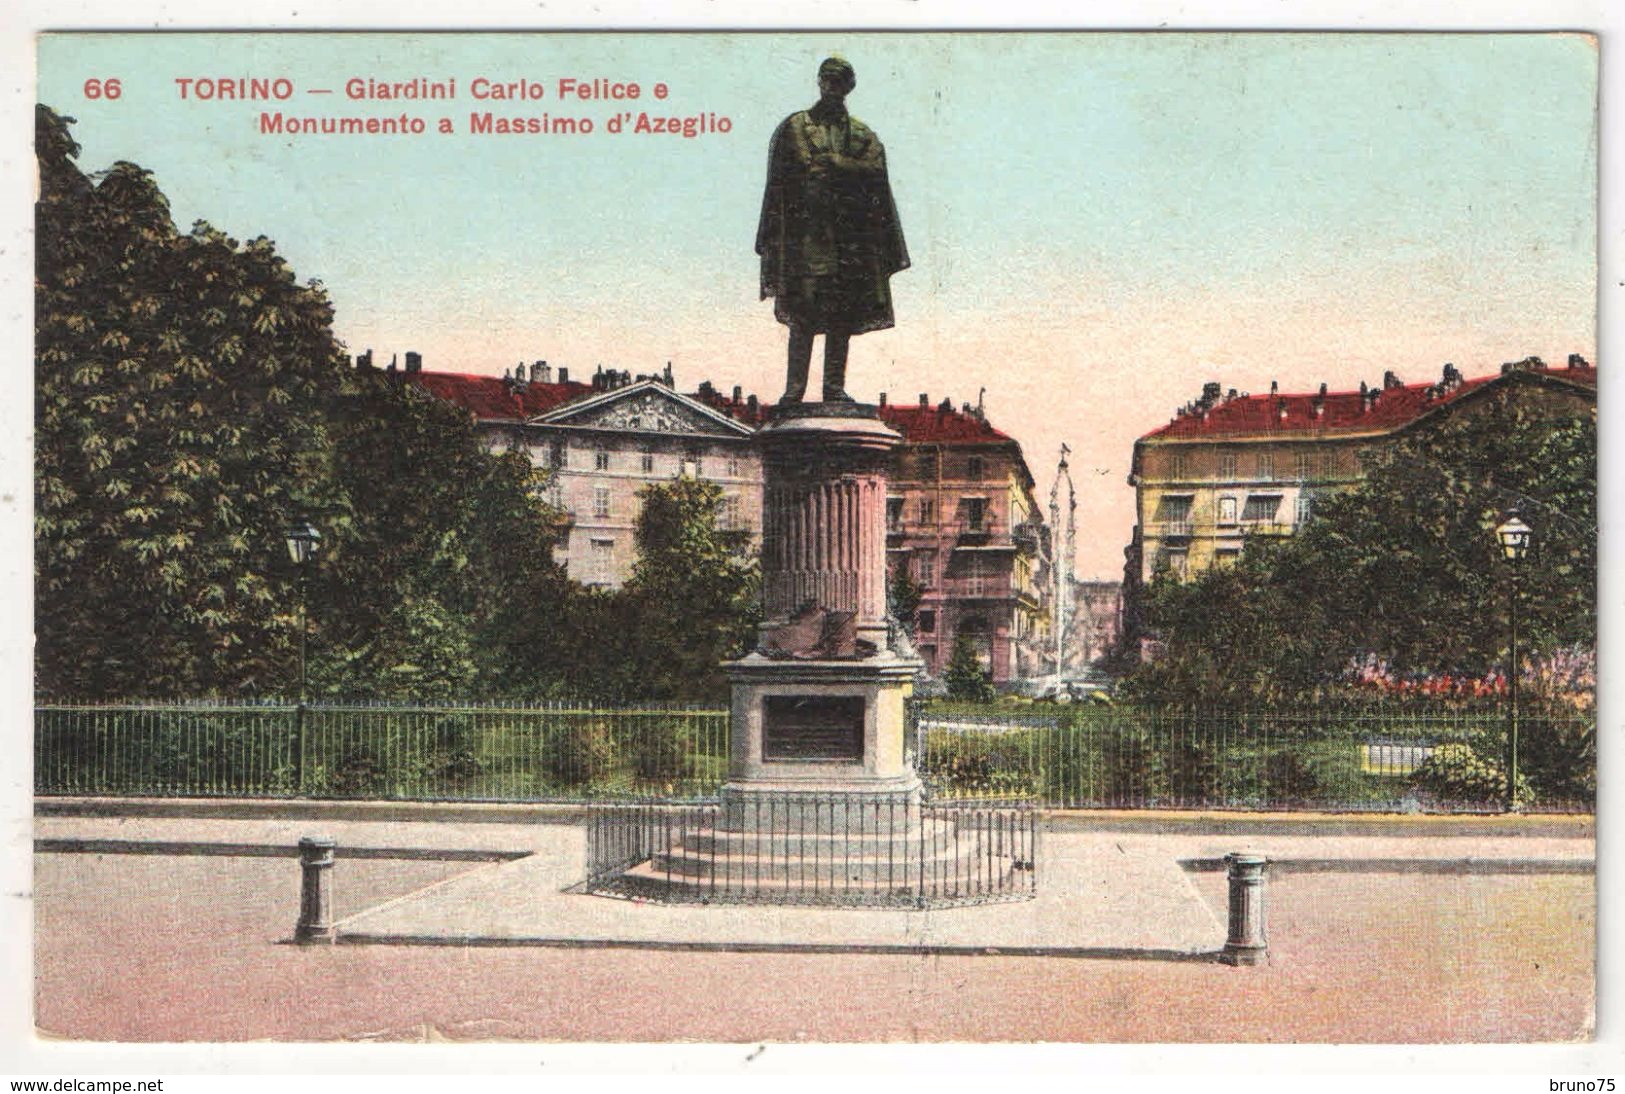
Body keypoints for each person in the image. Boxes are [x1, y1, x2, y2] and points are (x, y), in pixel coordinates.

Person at [756, 56, 909, 404]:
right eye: (826, 80)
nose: (831, 86)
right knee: (803, 311)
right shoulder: (795, 127)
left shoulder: (863, 134)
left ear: (848, 87)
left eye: (838, 81)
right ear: (819, 82)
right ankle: (794, 390)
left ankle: (833, 388)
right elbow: (779, 183)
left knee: (842, 314)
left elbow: (876, 171)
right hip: (807, 239)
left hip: (849, 242)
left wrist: (839, 165)